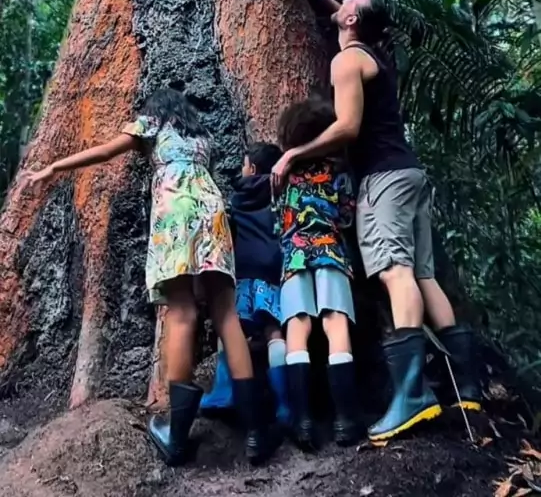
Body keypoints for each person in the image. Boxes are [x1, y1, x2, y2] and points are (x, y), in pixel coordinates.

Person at [272, 0, 481, 443]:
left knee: (395, 272)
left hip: (383, 179)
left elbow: (347, 127)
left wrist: (293, 155)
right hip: (409, 173)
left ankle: (410, 394)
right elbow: (356, 24)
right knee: (423, 274)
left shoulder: (347, 61)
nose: (343, 2)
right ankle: (465, 383)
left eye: (347, 4)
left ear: (352, 22)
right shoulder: (374, 56)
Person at [23, 88, 279, 467]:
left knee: (182, 313)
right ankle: (256, 431)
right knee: (226, 315)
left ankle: (177, 437)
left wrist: (53, 168)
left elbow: (107, 150)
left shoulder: (151, 123)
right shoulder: (200, 137)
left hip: (175, 214)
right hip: (213, 212)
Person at [274, 95, 359, 450]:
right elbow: (347, 216)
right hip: (331, 253)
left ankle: (303, 421)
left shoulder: (285, 173)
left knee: (298, 326)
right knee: (335, 322)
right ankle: (345, 420)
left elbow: (279, 218)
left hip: (294, 256)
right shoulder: (338, 171)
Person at [200, 142, 290, 429]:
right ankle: (286, 404)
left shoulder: (239, 197)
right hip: (274, 269)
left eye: (244, 164)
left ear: (251, 169)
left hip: (244, 268)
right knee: (274, 331)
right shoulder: (280, 191)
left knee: (231, 326)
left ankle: (224, 391)